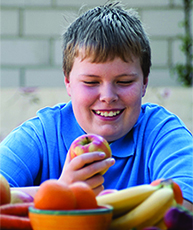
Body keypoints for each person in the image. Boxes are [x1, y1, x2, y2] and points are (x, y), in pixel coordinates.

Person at [0, 2, 192, 211]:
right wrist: (61, 191)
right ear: (68, 83)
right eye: (91, 82)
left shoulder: (162, 132)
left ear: (145, 82)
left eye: (125, 81)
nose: (108, 97)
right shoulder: (42, 134)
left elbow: (183, 209)